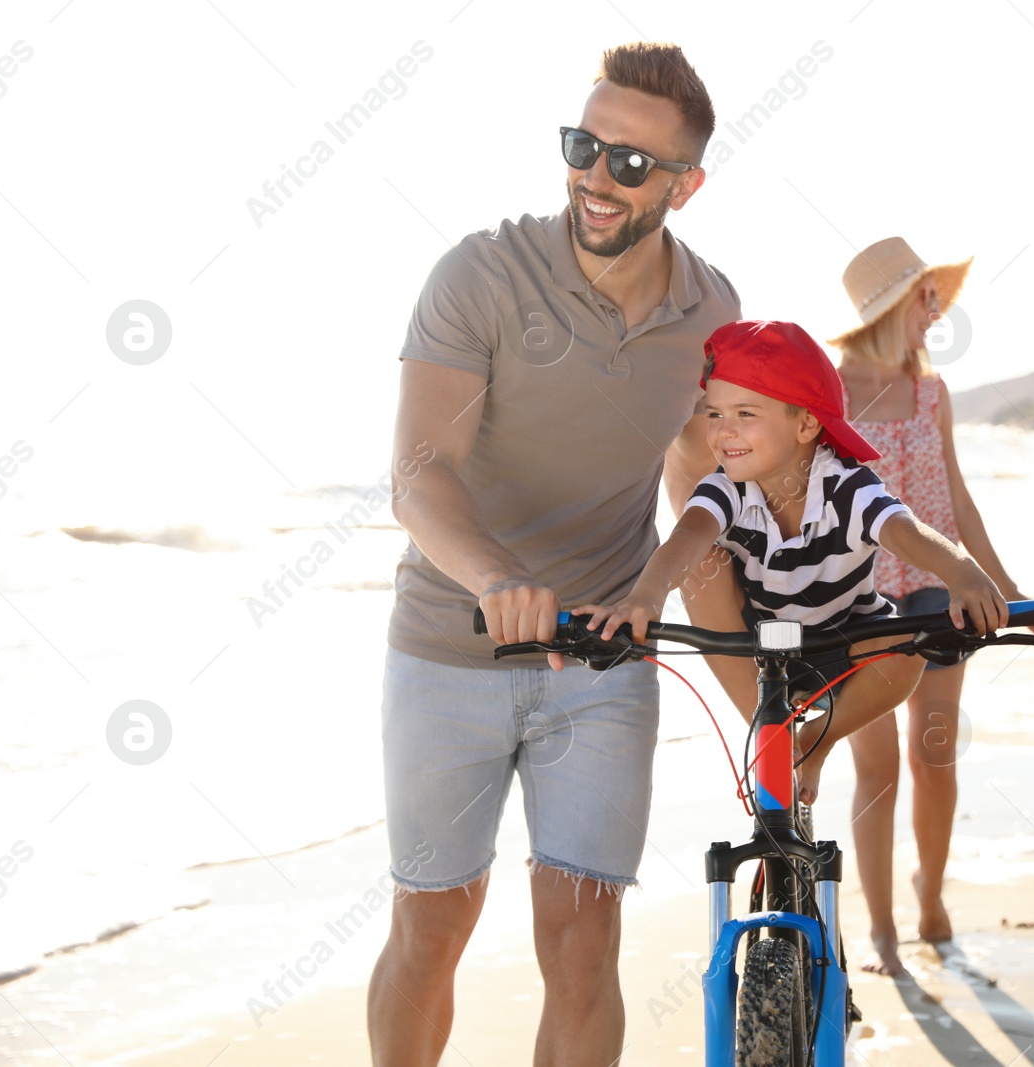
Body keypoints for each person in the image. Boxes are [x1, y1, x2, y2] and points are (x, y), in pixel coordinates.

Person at [370, 43, 742, 1067]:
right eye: (584, 146)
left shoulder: (711, 313)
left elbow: (705, 489)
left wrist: (728, 648)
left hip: (603, 671)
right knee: (432, 927)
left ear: (685, 184)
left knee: (584, 943)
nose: (595, 175)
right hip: (448, 652)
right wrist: (496, 579)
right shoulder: (481, 272)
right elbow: (418, 471)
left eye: (630, 163)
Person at [579, 319, 1011, 807]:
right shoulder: (726, 489)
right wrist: (645, 597)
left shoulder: (847, 486)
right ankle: (772, 742)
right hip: (755, 648)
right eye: (715, 414)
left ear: (806, 424)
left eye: (746, 412)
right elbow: (686, 538)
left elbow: (903, 532)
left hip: (842, 643)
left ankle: (813, 746)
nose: (724, 432)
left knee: (907, 640)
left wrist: (963, 573)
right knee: (702, 563)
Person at [828, 237, 1026, 976]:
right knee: (877, 767)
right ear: (892, 306)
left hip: (939, 591)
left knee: (935, 754)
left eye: (938, 300)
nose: (936, 314)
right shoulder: (830, 390)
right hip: (859, 597)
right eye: (927, 299)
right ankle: (881, 931)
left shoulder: (932, 392)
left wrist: (1001, 584)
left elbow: (957, 496)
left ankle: (930, 895)